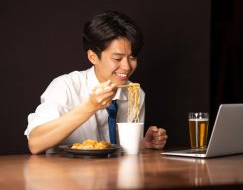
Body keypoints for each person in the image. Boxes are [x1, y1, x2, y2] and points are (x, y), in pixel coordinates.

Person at [24, 10, 168, 154]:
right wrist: (90, 107)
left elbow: (120, 151)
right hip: (67, 174)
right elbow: (35, 144)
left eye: (132, 57)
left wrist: (143, 144)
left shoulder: (136, 94)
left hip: (115, 175)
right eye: (117, 58)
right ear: (93, 57)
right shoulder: (65, 86)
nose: (127, 67)